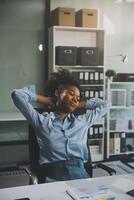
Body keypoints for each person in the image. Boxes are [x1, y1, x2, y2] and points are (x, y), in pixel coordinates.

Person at [11, 68, 110, 183]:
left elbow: (106, 105)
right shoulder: (41, 121)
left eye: (78, 98)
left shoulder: (83, 121)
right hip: (54, 178)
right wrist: (46, 100)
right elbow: (17, 95)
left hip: (81, 176)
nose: (75, 99)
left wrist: (78, 104)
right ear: (58, 93)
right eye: (71, 94)